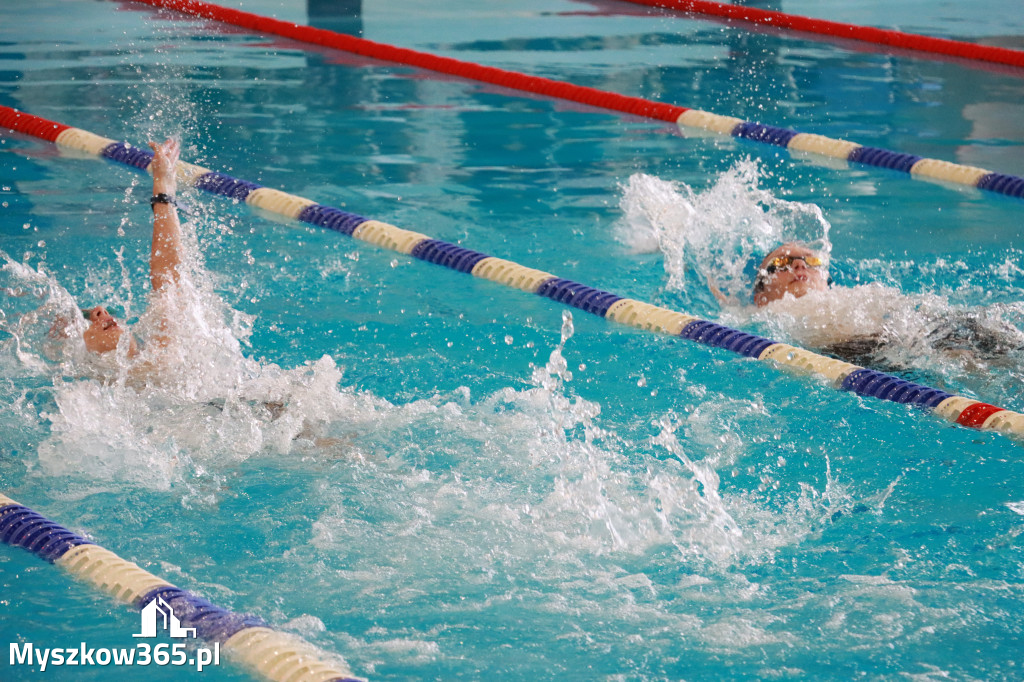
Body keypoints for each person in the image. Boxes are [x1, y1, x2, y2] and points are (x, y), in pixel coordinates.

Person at [80, 138, 183, 359]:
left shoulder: (166, 356)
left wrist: (163, 187)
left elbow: (167, 277)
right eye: (86, 320)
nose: (101, 310)